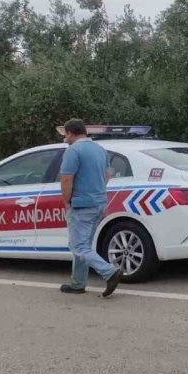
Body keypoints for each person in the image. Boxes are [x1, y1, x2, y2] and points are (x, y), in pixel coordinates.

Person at [58, 119, 123, 297]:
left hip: (81, 205)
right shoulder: (100, 150)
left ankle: (109, 272)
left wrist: (67, 202)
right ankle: (78, 283)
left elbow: (66, 179)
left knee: (78, 246)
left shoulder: (73, 151)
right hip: (100, 203)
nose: (65, 137)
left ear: (70, 133)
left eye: (66, 134)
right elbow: (107, 174)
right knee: (84, 245)